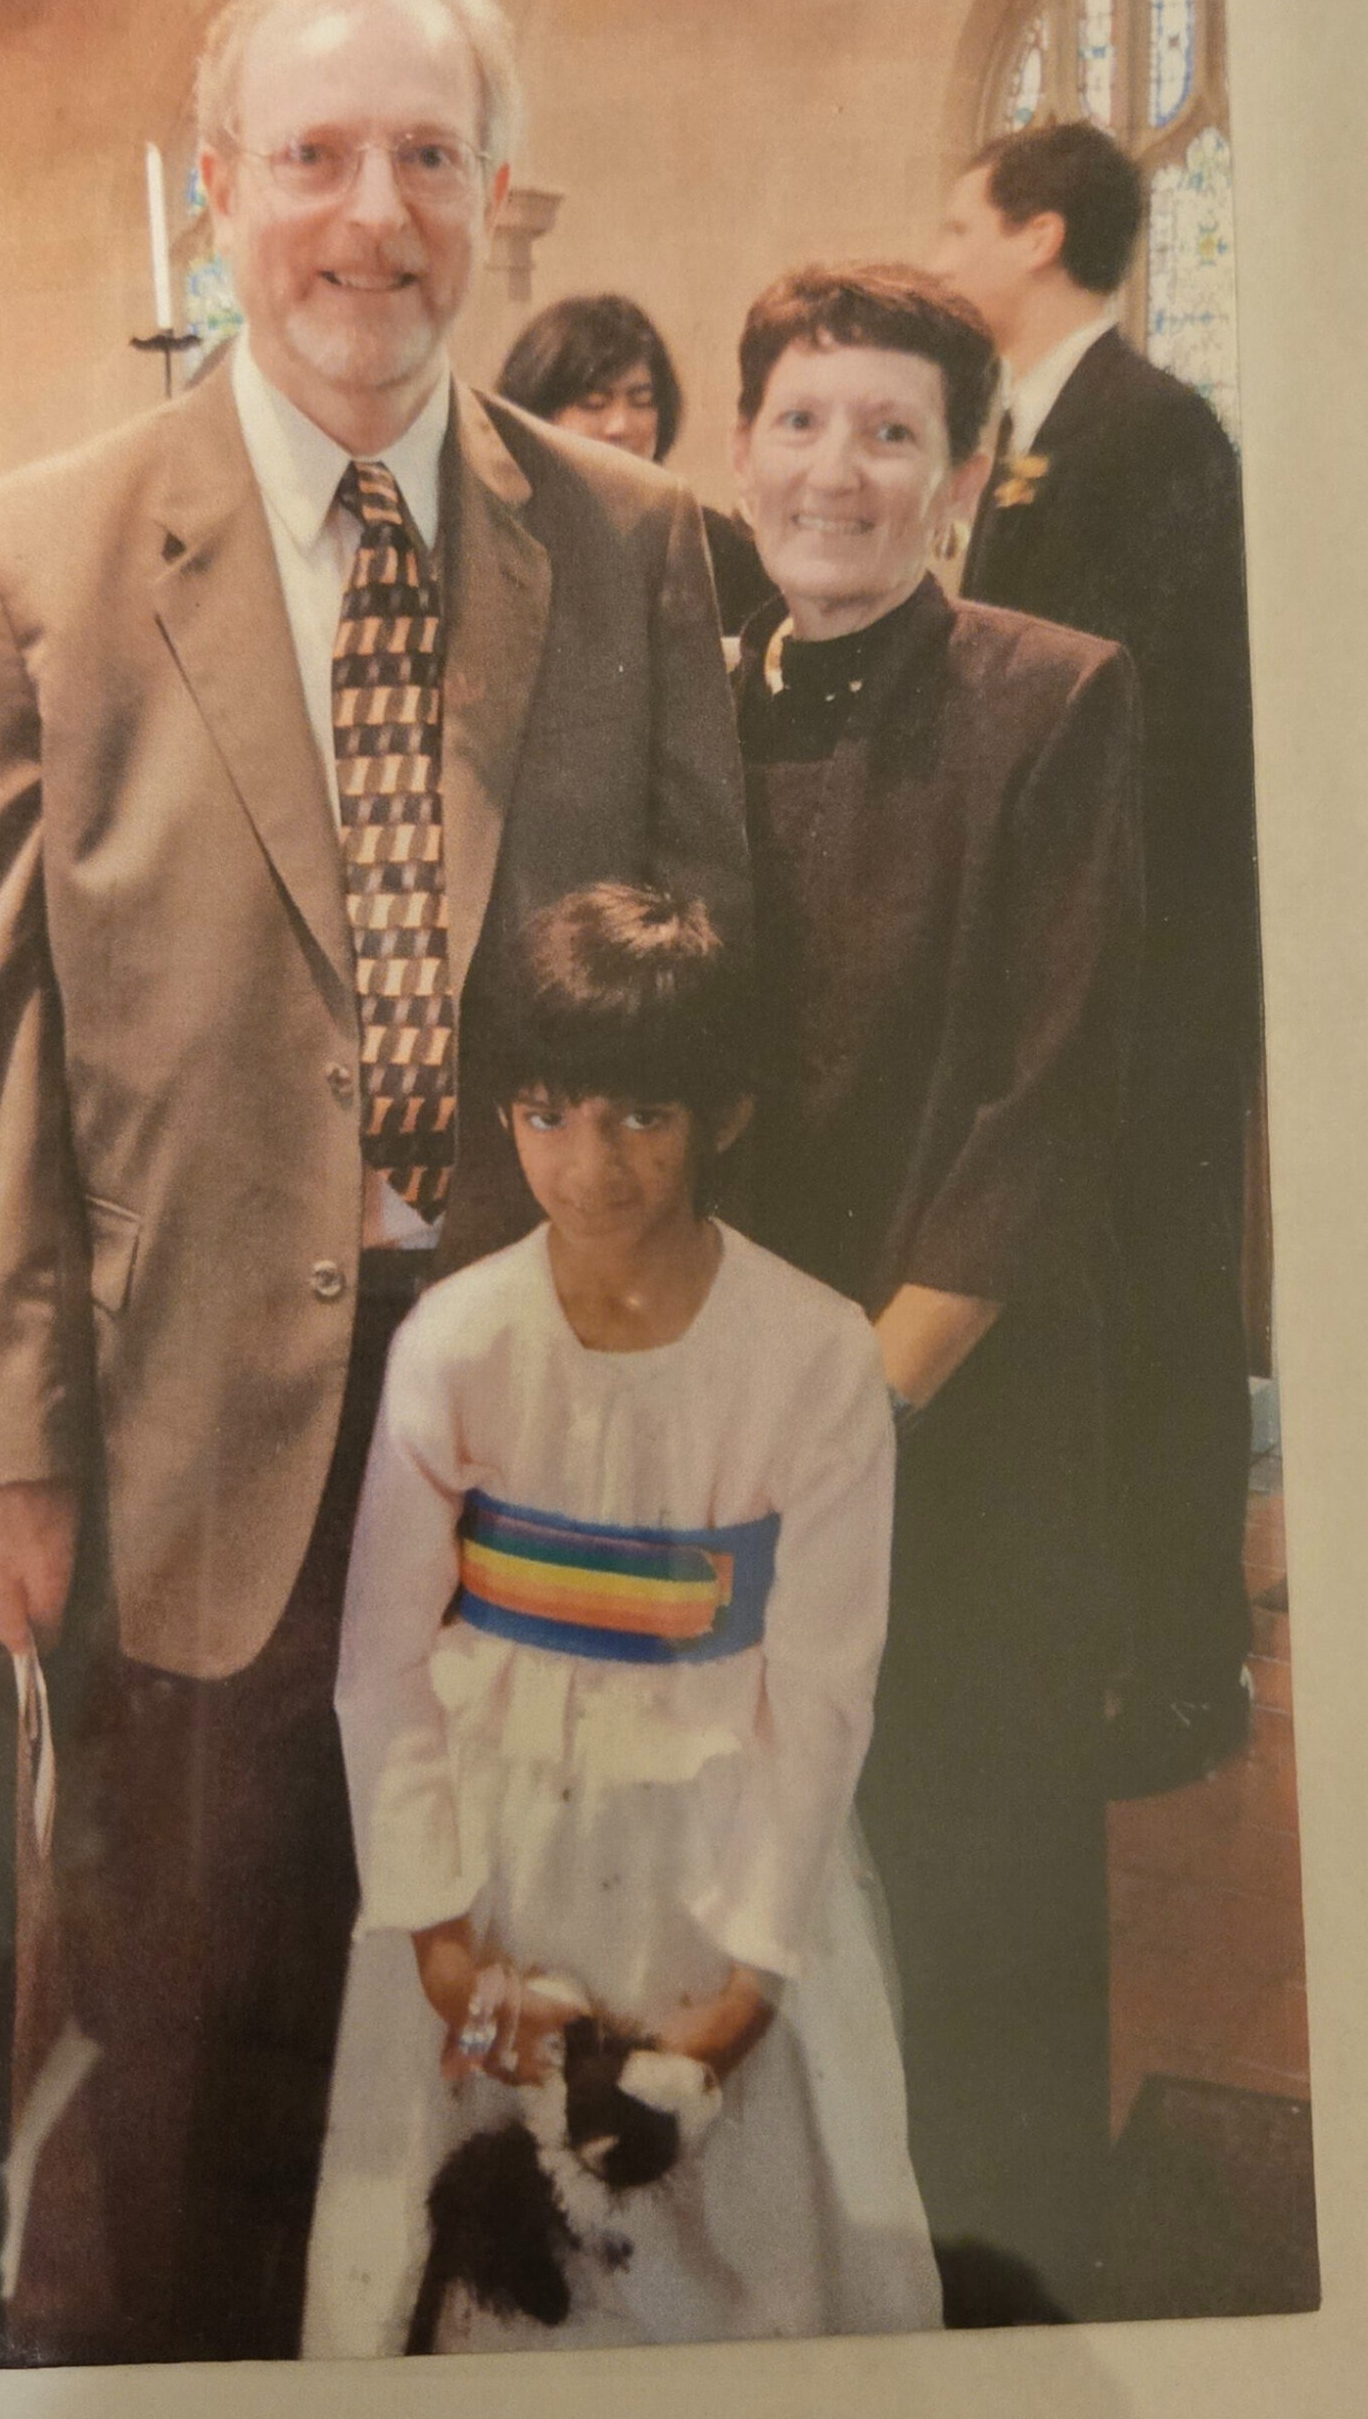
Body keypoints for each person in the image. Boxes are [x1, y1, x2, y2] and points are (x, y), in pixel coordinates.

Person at [0, 0, 748, 2365]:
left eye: (427, 158)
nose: (372, 214)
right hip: (190, 1445)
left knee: (535, 2032)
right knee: (200, 2051)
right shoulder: (23, 566)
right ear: (214, 190)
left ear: (493, 197)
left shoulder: (628, 546)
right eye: (315, 158)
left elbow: (708, 998)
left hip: (539, 1413)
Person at [302, 884, 942, 2355]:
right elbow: (381, 1670)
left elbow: (821, 1689)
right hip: (493, 1860)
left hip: (718, 1866)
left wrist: (737, 1998)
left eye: (640, 1118)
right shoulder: (458, 1339)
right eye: (544, 1114)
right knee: (478, 2271)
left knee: (738, 2268)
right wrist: (443, 1944)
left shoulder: (814, 1357)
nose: (587, 1167)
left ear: (722, 1111)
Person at [727, 264, 1142, 2316]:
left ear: (961, 474)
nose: (840, 470)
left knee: (973, 1925)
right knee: (769, 1918)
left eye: (892, 431)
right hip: (735, 1432)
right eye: (802, 421)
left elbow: (1046, 1102)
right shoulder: (697, 695)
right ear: (741, 455)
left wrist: (857, 1406)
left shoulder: (1053, 695)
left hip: (948, 1427)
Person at [935, 119, 1261, 1797]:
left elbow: (1159, 719)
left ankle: (1189, 1667)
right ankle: (1122, 1635)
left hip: (1160, 965)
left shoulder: (1146, 431)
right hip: (1091, 955)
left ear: (1039, 232)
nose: (945, 246)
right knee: (1103, 1307)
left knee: (1162, 1307)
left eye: (962, 220)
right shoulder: (1032, 435)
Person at [497, 292, 774, 635]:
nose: (621, 426)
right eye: (594, 404)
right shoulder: (498, 545)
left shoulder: (719, 547)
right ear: (536, 416)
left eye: (641, 402)